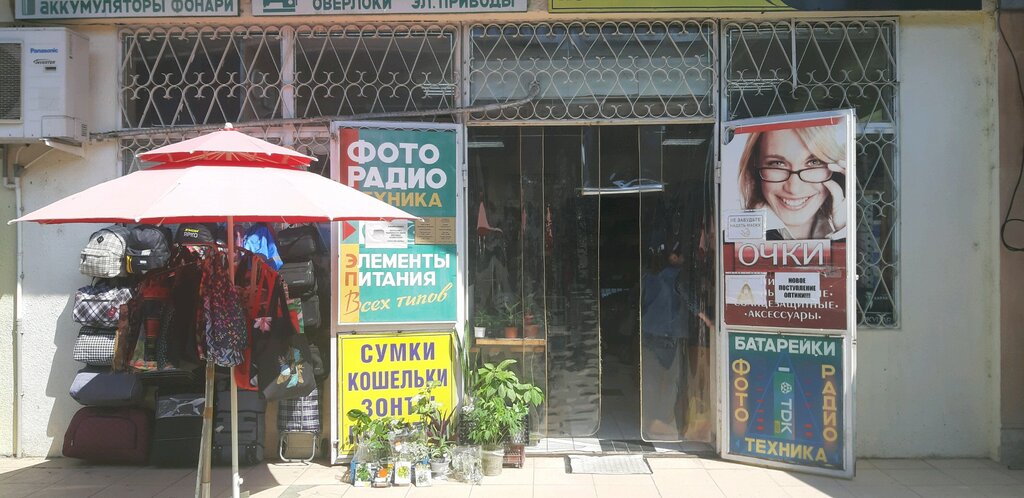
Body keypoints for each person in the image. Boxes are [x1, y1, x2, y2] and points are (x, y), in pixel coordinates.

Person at [737, 125, 848, 240]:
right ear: (754, 169)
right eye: (777, 164)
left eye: (814, 162)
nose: (794, 189)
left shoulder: (839, 226)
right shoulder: (735, 239)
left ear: (837, 170)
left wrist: (844, 231)